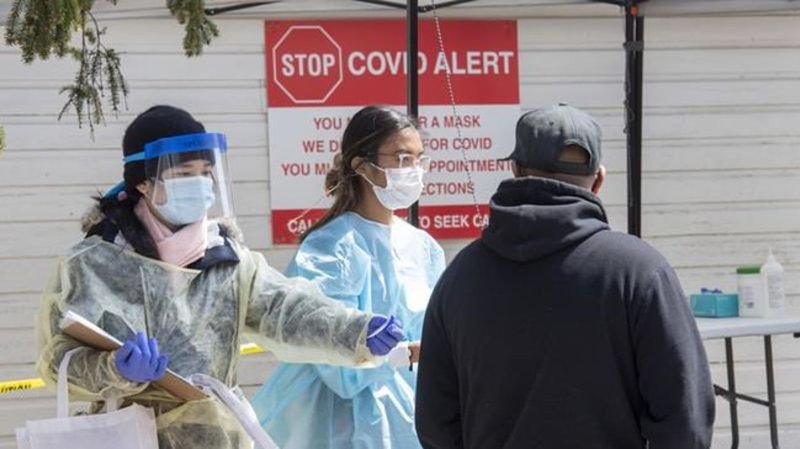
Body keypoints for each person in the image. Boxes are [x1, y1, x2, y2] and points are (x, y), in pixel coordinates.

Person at [36, 105, 406, 449]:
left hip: (215, 436)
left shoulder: (226, 258)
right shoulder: (97, 263)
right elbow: (59, 362)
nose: (199, 184)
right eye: (184, 174)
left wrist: (356, 332)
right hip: (128, 436)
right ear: (143, 184)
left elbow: (287, 310)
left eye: (205, 173)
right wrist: (115, 368)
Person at [415, 104, 715, 449]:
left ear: (515, 170)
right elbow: (684, 420)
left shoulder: (461, 276)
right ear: (598, 180)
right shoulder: (639, 271)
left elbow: (436, 424)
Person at [252, 105, 446, 449]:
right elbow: (335, 362)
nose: (413, 171)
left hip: (410, 417)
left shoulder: (424, 247)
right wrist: (403, 353)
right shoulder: (331, 246)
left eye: (419, 160)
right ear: (362, 165)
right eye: (402, 159)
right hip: (339, 424)